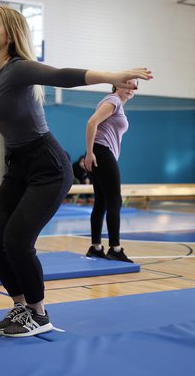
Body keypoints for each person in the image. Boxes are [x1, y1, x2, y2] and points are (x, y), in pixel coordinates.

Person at [0, 5, 152, 337]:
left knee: (17, 239)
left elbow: (60, 75)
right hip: (17, 165)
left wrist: (111, 76)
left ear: (11, 35)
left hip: (48, 165)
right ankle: (21, 307)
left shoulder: (19, 70)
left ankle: (39, 314)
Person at [84, 81, 138, 263]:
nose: (131, 89)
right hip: (101, 151)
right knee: (115, 199)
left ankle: (96, 247)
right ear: (116, 85)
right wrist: (90, 153)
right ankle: (115, 248)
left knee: (101, 201)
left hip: (102, 152)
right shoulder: (113, 101)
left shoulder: (115, 103)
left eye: (135, 86)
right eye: (128, 84)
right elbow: (92, 122)